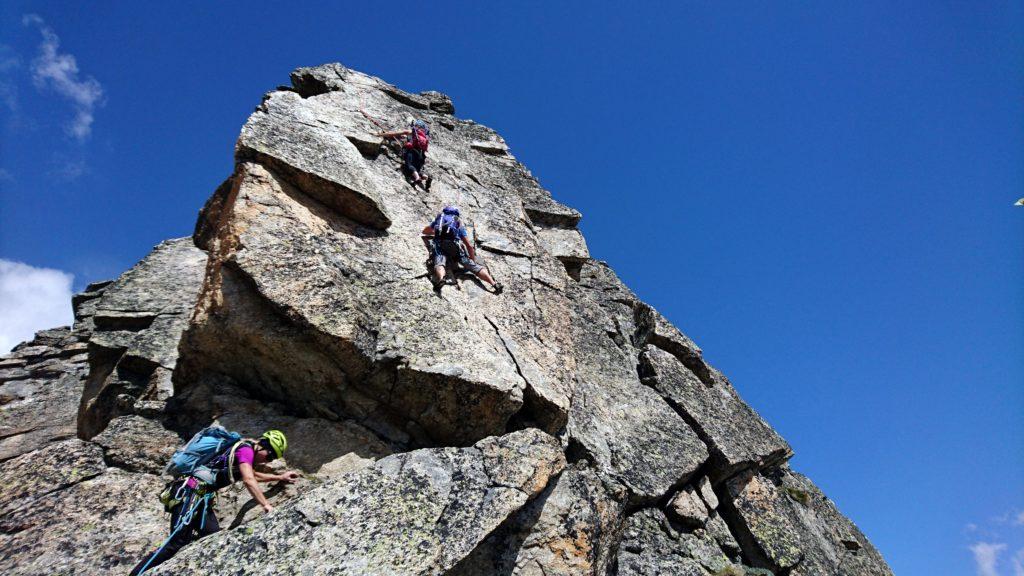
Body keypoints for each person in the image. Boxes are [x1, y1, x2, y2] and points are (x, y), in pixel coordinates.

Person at [129, 430, 300, 575]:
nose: (267, 460)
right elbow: (249, 479)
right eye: (269, 455)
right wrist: (266, 505)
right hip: (191, 492)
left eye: (271, 459)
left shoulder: (243, 453)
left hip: (201, 498)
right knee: (175, 542)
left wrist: (279, 477)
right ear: (262, 445)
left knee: (212, 537)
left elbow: (252, 475)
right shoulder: (246, 449)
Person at [422, 206, 503, 294]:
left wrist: (437, 232)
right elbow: (468, 245)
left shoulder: (440, 220)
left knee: (440, 261)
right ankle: (494, 284)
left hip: (440, 245)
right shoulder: (457, 223)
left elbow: (425, 232)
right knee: (472, 266)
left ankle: (442, 278)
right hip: (455, 247)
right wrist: (472, 259)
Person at [378, 119, 433, 189]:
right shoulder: (423, 136)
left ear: (417, 126)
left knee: (409, 166)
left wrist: (380, 134)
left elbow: (396, 133)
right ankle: (427, 177)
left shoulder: (412, 132)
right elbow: (404, 137)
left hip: (412, 151)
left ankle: (417, 179)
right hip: (421, 155)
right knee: (416, 170)